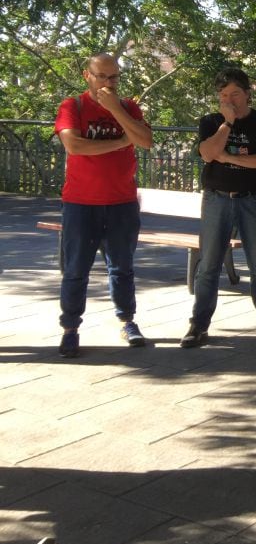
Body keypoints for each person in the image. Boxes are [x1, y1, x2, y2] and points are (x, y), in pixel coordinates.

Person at [53, 53, 153, 357]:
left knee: (122, 268)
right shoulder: (73, 106)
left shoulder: (128, 107)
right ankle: (70, 329)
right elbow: (74, 145)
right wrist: (122, 142)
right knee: (75, 270)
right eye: (102, 76)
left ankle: (127, 321)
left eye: (114, 77)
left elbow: (145, 140)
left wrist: (115, 110)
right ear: (87, 75)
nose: (108, 83)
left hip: (122, 203)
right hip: (81, 203)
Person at [182, 67, 256, 348]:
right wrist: (227, 124)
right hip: (217, 199)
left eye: (235, 94)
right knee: (208, 265)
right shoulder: (211, 121)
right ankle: (199, 325)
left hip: (253, 199)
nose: (229, 100)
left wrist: (229, 158)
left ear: (248, 94)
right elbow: (208, 154)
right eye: (223, 95)